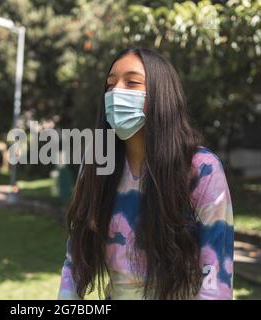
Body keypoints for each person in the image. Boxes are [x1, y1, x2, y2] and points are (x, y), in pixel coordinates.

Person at [57, 48, 234, 300]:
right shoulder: (96, 164)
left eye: (132, 82)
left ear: (162, 96)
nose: (116, 92)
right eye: (110, 85)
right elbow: (75, 261)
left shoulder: (201, 168)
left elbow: (215, 280)